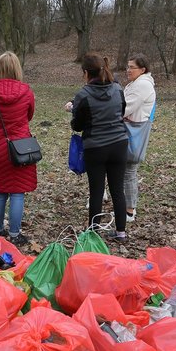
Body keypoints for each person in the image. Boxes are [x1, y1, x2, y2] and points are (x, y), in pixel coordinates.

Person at [68, 53, 128, 241]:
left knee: (96, 190)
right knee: (117, 189)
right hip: (119, 144)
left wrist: (72, 111)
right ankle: (121, 232)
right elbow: (122, 111)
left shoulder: (83, 95)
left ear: (86, 73)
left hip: (96, 147)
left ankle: (94, 234)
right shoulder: (118, 89)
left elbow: (77, 126)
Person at [0, 51, 37, 246]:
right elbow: (29, 115)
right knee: (17, 192)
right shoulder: (26, 91)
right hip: (21, 147)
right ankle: (14, 233)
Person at [122, 54, 156, 223]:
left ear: (142, 70)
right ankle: (126, 208)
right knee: (126, 171)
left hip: (133, 133)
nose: (128, 70)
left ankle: (129, 211)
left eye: (132, 67)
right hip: (130, 131)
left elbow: (125, 108)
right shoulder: (136, 83)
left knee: (129, 171)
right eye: (127, 67)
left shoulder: (142, 84)